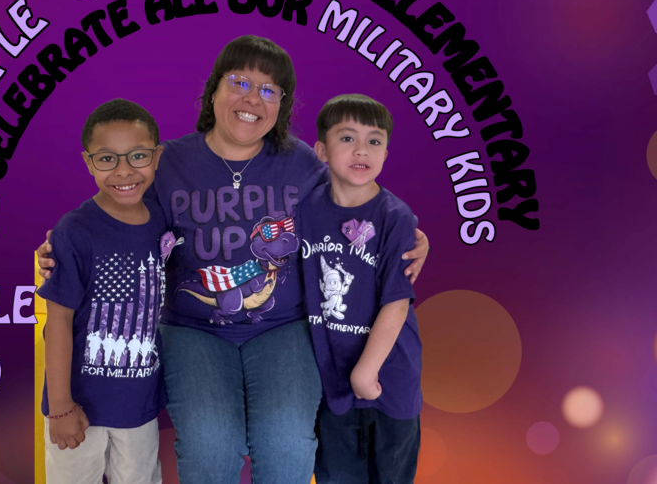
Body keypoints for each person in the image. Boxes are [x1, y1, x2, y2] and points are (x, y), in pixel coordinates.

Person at [38, 36, 430, 484]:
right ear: (213, 90)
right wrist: (64, 242)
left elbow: (359, 200)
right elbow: (119, 210)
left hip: (283, 328)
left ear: (282, 105)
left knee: (285, 447)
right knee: (210, 449)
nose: (252, 99)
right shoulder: (168, 161)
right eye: (240, 82)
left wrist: (413, 235)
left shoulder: (303, 163)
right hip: (193, 329)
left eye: (269, 90)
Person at [37, 99, 173, 484]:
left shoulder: (162, 219)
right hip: (78, 406)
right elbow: (58, 322)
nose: (124, 170)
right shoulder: (73, 231)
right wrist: (61, 407)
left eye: (137, 156)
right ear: (87, 162)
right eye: (107, 159)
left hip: (139, 404)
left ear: (157, 156)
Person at [301, 94, 422, 483]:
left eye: (374, 140)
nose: (361, 150)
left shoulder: (395, 217)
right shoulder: (305, 210)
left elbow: (397, 303)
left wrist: (365, 372)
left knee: (390, 474)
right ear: (321, 150)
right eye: (347, 138)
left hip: (390, 376)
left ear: (386, 153)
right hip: (331, 379)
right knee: (337, 474)